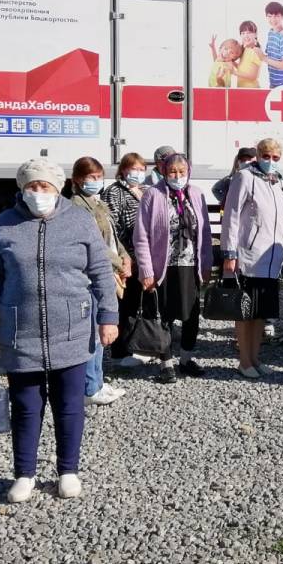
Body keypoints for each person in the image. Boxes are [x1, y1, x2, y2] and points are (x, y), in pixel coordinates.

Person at [0, 158, 119, 503]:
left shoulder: (79, 221)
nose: (38, 193)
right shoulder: (6, 224)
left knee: (69, 405)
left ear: (58, 189)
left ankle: (67, 471)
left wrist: (108, 316)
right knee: (26, 407)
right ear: (22, 189)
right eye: (32, 187)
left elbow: (100, 270)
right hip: (20, 332)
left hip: (71, 329)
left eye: (45, 187)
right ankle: (24, 474)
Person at [134, 153, 214, 383]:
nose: (177, 176)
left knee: (191, 315)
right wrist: (146, 271)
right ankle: (166, 363)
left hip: (190, 264)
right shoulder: (153, 194)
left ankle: (186, 359)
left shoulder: (196, 193)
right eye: (172, 172)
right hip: (164, 266)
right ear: (164, 172)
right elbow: (142, 236)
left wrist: (207, 263)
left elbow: (205, 233)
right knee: (164, 315)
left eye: (182, 172)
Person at [221, 137, 283, 378]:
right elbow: (231, 216)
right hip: (249, 258)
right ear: (258, 155)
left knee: (262, 313)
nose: (270, 161)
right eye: (266, 156)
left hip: (271, 259)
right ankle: (244, 361)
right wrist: (230, 252)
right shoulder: (244, 177)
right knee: (245, 312)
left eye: (275, 158)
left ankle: (256, 358)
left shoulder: (277, 181)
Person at [69, 156, 129, 406]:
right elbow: (93, 244)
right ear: (77, 180)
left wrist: (125, 256)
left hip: (106, 270)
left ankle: (98, 381)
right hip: (91, 275)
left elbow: (112, 236)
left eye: (98, 176)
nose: (95, 181)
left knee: (100, 330)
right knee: (94, 331)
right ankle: (90, 387)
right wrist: (118, 262)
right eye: (90, 177)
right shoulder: (76, 206)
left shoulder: (98, 203)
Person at [102, 152, 149, 369]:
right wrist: (121, 257)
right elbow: (113, 226)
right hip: (125, 256)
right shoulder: (114, 192)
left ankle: (134, 345)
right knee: (123, 303)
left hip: (144, 257)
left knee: (137, 304)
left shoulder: (147, 191)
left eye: (141, 169)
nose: (137, 174)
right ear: (123, 170)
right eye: (133, 169)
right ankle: (119, 352)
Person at [235, 21, 265, 89]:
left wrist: (234, 72)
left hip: (252, 90)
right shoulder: (245, 49)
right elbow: (243, 69)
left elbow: (253, 76)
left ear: (255, 34)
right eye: (243, 33)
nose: (246, 35)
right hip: (242, 89)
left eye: (249, 32)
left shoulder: (256, 51)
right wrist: (232, 63)